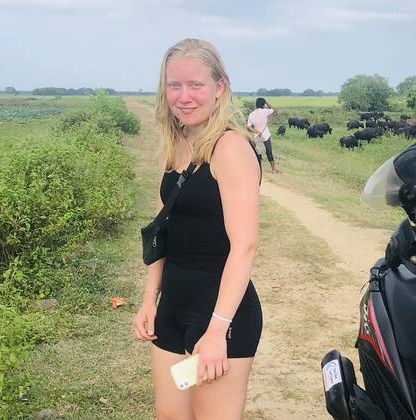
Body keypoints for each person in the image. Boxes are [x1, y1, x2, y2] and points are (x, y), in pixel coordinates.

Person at [132, 38, 262, 420]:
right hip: (173, 307)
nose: (184, 96)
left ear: (219, 87)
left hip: (221, 313)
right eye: (175, 85)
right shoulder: (177, 144)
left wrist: (217, 331)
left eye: (196, 85)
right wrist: (148, 300)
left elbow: (245, 247)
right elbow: (161, 232)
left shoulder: (230, 148)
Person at [246, 97, 280, 173]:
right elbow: (273, 110)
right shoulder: (265, 111)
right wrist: (267, 102)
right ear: (263, 105)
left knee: (259, 153)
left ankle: (258, 170)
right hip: (266, 135)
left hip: (257, 136)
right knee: (269, 151)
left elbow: (248, 126)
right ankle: (273, 169)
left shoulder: (251, 114)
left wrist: (256, 131)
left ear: (256, 104)